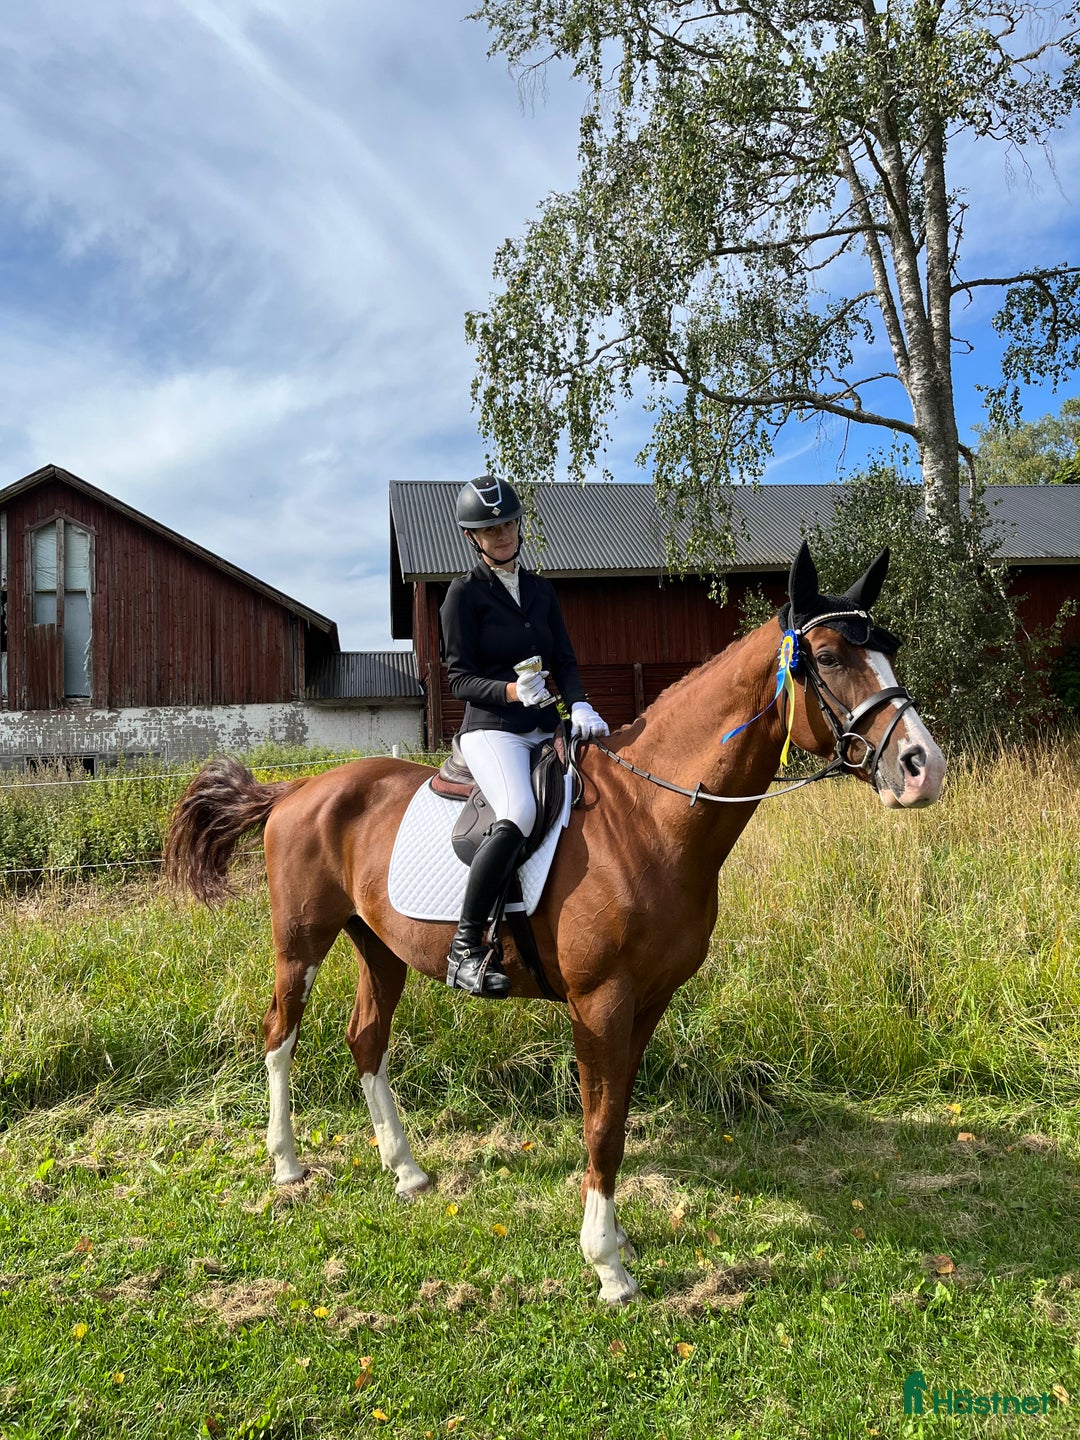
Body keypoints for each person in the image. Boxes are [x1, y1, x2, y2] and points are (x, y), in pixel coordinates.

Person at [439, 475, 609, 999]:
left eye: (508, 523)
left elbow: (563, 659)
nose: (503, 534)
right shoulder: (463, 595)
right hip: (493, 730)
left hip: (545, 725)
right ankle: (464, 950)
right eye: (490, 529)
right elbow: (458, 678)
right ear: (474, 537)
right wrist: (511, 692)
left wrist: (578, 700)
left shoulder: (540, 589)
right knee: (519, 812)